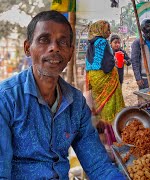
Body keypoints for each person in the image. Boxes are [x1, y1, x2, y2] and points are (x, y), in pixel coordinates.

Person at [0, 10, 125, 179]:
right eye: (44, 40)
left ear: (71, 52)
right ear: (28, 48)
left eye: (63, 42)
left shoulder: (76, 103)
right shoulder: (6, 99)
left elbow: (97, 165)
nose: (54, 48)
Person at [85, 20, 125, 146]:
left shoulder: (91, 43)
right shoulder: (102, 41)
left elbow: (90, 63)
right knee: (111, 105)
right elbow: (107, 65)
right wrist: (113, 61)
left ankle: (103, 138)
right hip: (104, 78)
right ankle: (114, 138)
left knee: (100, 107)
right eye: (107, 30)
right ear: (101, 30)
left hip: (94, 78)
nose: (109, 32)